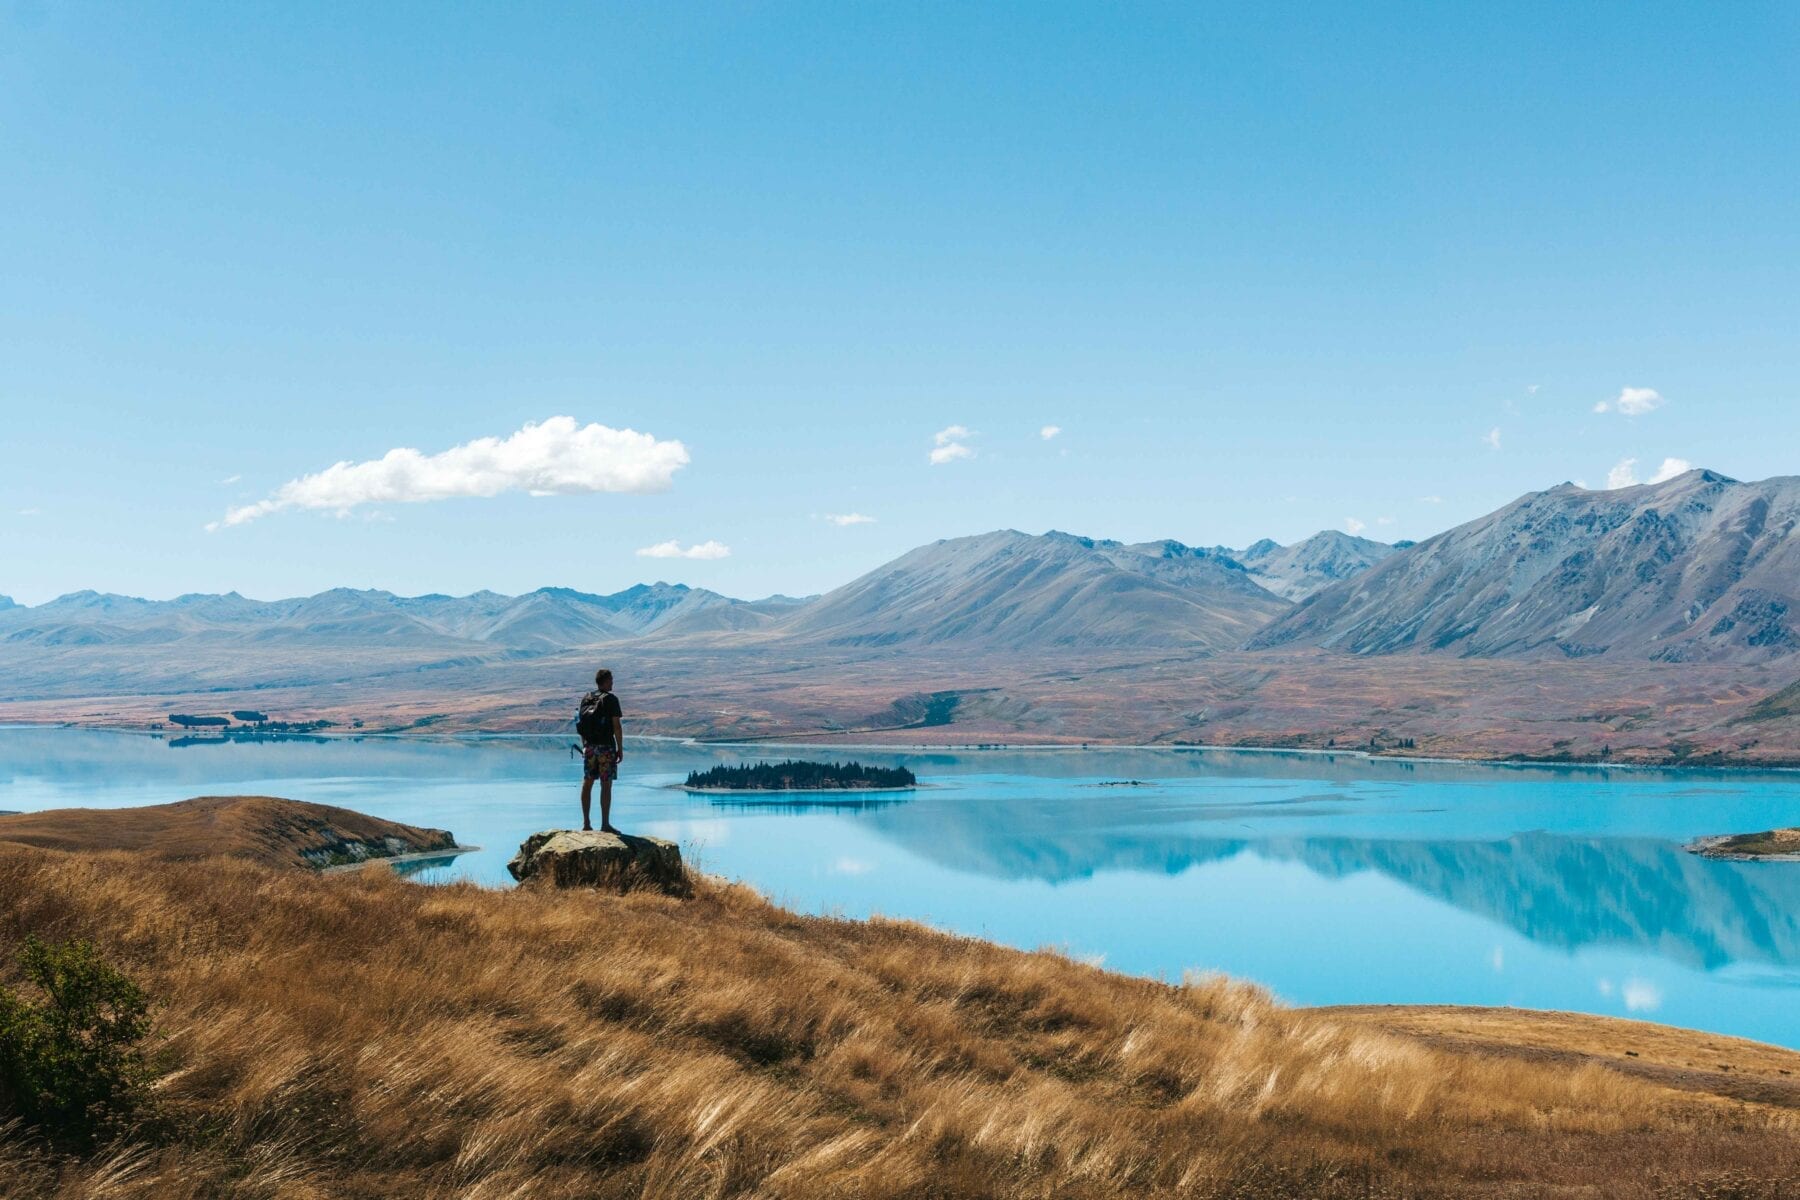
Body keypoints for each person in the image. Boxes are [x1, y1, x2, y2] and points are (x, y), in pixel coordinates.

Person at [576, 668, 624, 833]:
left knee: (587, 782)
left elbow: (581, 725)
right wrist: (620, 749)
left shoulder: (587, 698)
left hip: (589, 747)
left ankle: (586, 824)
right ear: (605, 681)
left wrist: (584, 745)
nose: (613, 682)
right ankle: (605, 824)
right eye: (611, 679)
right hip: (606, 748)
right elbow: (617, 727)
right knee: (606, 785)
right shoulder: (611, 700)